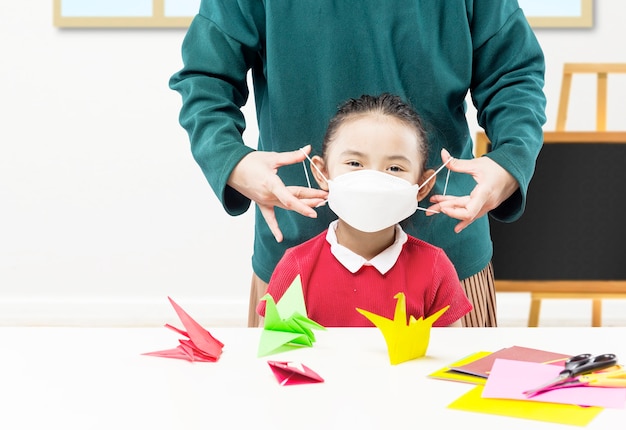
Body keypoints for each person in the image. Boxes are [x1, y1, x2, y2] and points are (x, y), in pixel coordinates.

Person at [169, 1, 546, 327]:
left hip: (444, 251)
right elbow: (206, 78)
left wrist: (509, 159)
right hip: (298, 260)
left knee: (449, 403)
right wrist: (233, 162)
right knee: (287, 404)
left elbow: (513, 74)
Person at [256, 94, 473, 327]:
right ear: (322, 174)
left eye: (394, 167)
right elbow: (274, 356)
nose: (373, 180)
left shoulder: (435, 269)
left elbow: (453, 356)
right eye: (355, 163)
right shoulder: (295, 268)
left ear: (423, 186)